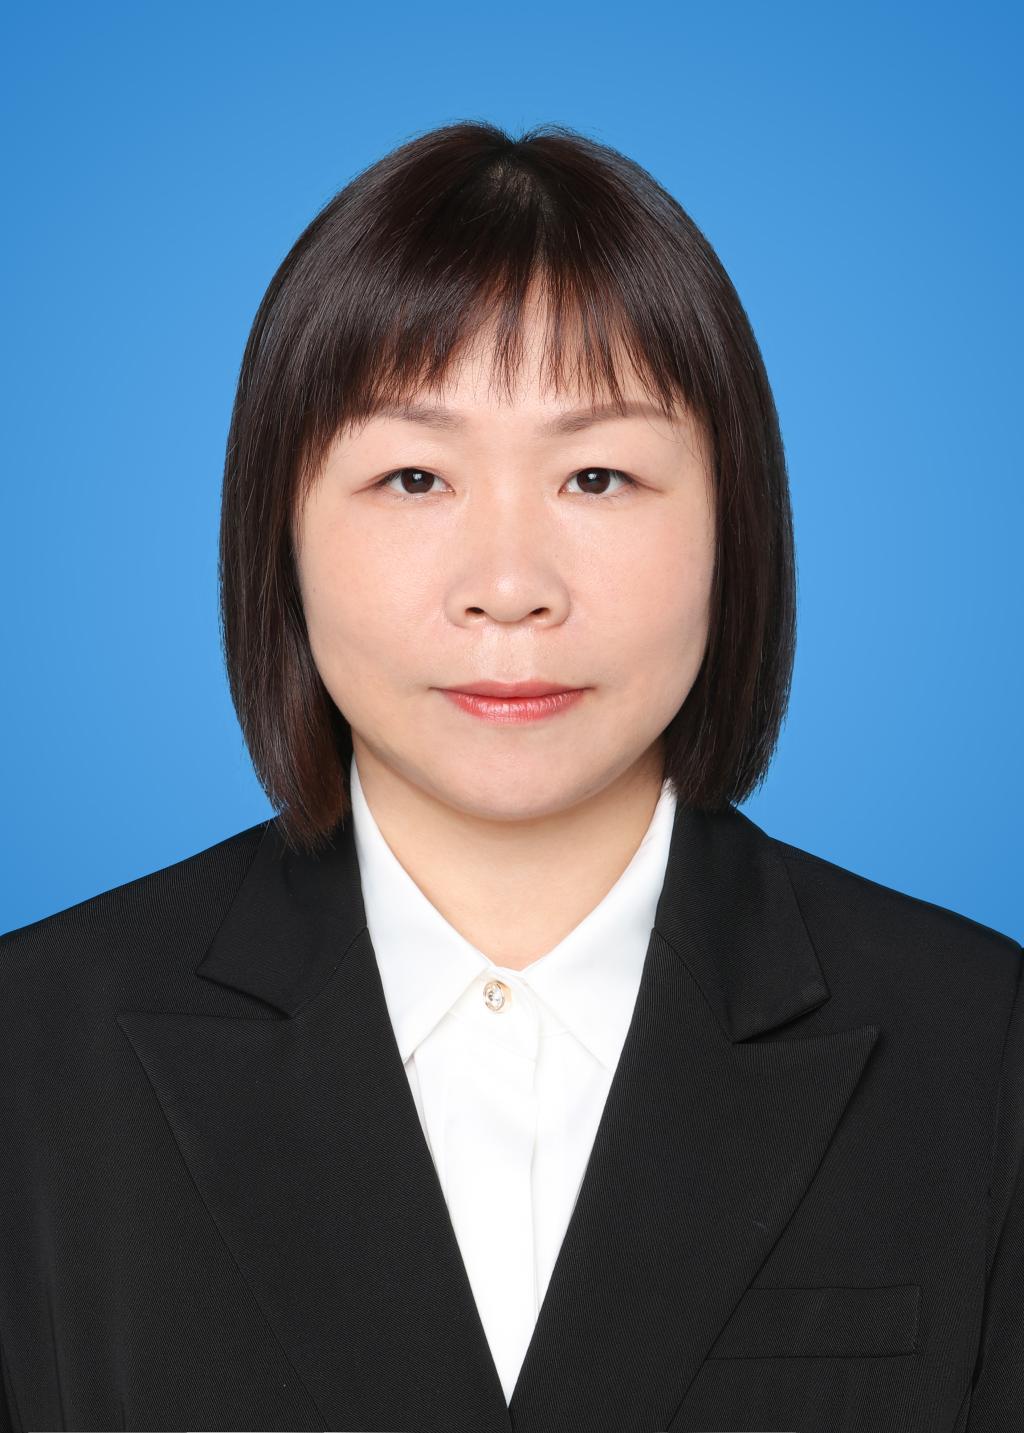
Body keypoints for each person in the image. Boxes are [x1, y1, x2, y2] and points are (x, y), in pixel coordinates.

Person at [0, 120, 1019, 1433]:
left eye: (598, 475)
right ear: (277, 533)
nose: (509, 587)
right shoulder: (36, 1049)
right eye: (413, 476)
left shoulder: (980, 1044)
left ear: (736, 526)